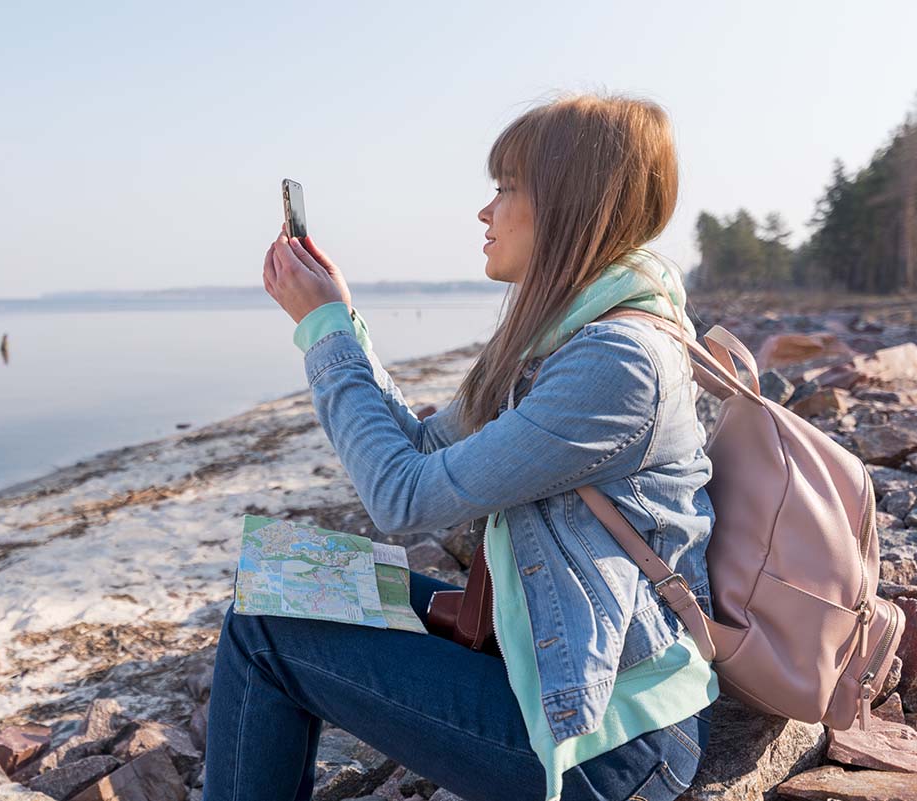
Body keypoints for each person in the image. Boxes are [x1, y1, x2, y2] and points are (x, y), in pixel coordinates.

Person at [205, 92, 718, 801]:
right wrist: (342, 319)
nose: (486, 211)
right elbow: (416, 446)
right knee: (281, 580)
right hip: (557, 662)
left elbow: (401, 496)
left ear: (570, 203)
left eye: (506, 188)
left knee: (267, 628)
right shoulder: (562, 339)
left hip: (611, 744)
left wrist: (322, 332)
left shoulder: (617, 362)